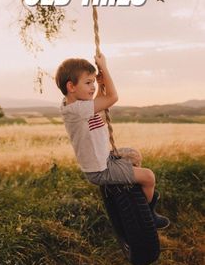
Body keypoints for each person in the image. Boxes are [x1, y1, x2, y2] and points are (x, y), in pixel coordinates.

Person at [55, 54, 169, 229]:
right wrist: (105, 68)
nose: (92, 87)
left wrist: (101, 85)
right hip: (99, 170)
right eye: (88, 83)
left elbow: (100, 104)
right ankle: (147, 216)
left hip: (104, 159)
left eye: (93, 82)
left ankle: (131, 196)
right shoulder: (77, 110)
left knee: (134, 155)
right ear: (71, 86)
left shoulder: (77, 106)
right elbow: (112, 97)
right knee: (148, 177)